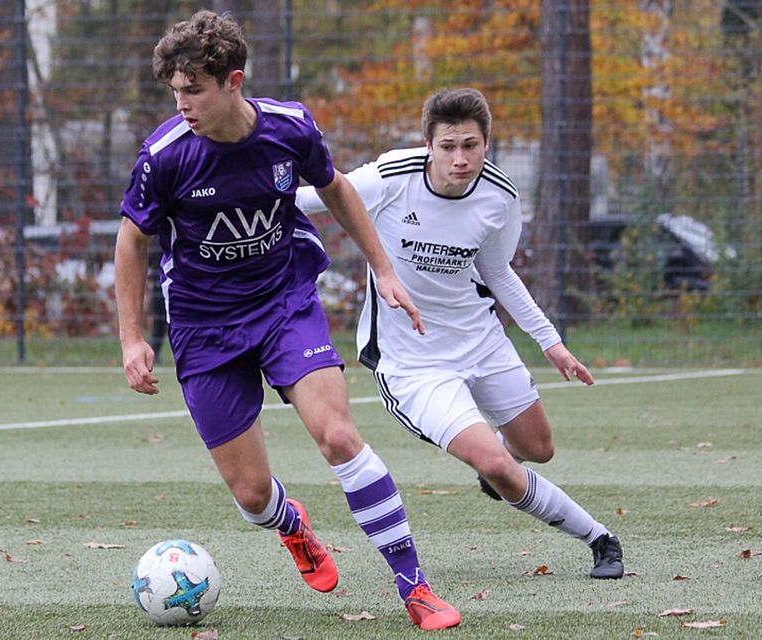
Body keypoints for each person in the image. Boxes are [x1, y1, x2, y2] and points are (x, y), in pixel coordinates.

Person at [114, 10, 461, 631]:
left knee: (337, 436)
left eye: (194, 89)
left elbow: (336, 190)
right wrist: (133, 338)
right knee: (251, 495)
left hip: (284, 304)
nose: (183, 103)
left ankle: (415, 587)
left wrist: (383, 268)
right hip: (204, 326)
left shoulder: (289, 128)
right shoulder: (164, 155)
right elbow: (132, 239)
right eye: (176, 91)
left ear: (233, 81)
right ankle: (291, 526)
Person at [296, 87, 624, 580]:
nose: (461, 158)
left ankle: (502, 467)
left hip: (482, 339)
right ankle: (599, 537)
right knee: (495, 463)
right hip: (414, 363)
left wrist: (550, 343)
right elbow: (311, 197)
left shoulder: (500, 195)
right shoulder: (388, 177)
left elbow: (499, 272)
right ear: (427, 144)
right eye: (448, 146)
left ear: (486, 143)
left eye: (471, 145)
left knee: (538, 449)